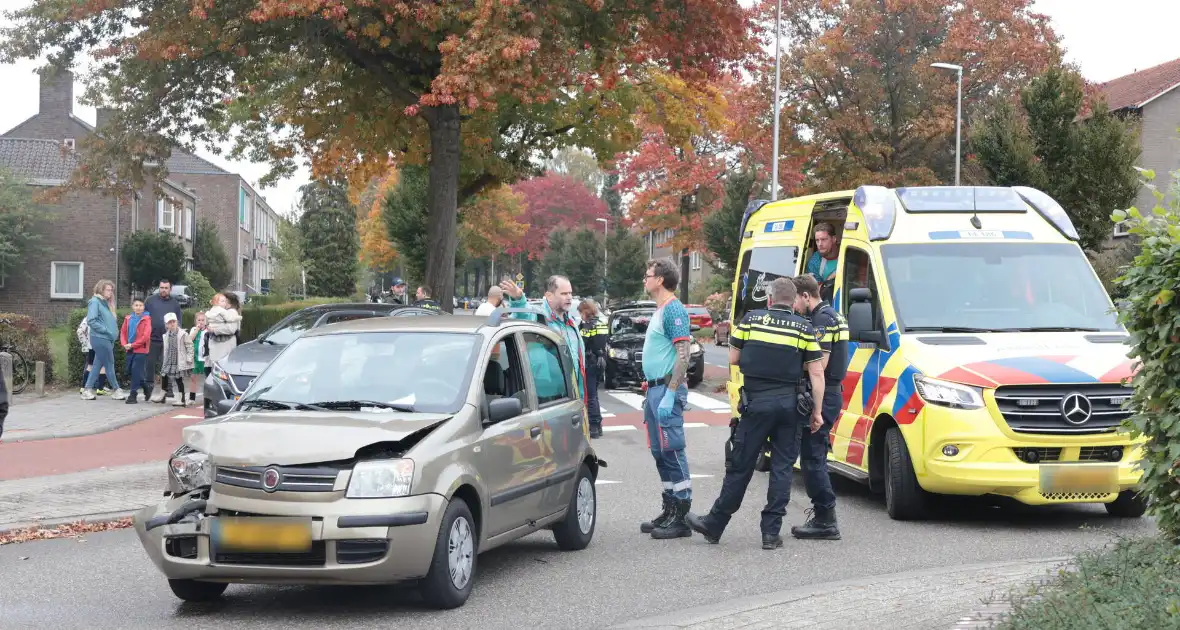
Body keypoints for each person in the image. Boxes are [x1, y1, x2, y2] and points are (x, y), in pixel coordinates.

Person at [685, 278, 826, 550]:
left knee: (740, 465)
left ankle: (715, 524)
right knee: (782, 469)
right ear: (794, 300)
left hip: (757, 404)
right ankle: (771, 534)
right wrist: (817, 412)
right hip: (790, 406)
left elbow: (733, 358)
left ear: (769, 300)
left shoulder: (751, 320)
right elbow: (817, 372)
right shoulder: (804, 328)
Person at [636, 258, 696, 540]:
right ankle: (669, 506)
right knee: (660, 451)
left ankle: (682, 515)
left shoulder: (674, 310)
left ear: (660, 279)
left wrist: (671, 392)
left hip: (666, 389)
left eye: (648, 275)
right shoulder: (661, 310)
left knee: (672, 449)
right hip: (655, 389)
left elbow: (684, 354)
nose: (644, 279)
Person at [790, 274, 847, 540]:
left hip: (824, 393)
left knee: (813, 458)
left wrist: (788, 362)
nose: (794, 307)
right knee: (815, 455)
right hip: (833, 392)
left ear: (805, 295)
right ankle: (824, 515)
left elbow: (819, 365)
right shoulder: (834, 315)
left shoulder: (822, 320)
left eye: (795, 301)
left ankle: (826, 519)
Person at [499, 276, 588, 406]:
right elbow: (523, 314)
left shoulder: (571, 324)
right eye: (564, 293)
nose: (569, 297)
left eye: (570, 293)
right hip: (547, 399)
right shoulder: (538, 317)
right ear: (549, 296)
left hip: (571, 396)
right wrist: (518, 299)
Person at [81, 279, 127, 400]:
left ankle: (87, 389)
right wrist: (106, 330)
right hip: (100, 338)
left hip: (106, 339)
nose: (110, 292)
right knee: (109, 363)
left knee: (97, 364)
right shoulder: (95, 302)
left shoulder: (104, 303)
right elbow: (91, 320)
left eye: (111, 290)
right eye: (108, 289)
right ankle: (116, 389)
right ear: (101, 289)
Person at [144, 279, 184, 403]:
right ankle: (148, 389)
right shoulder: (150, 301)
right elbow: (144, 317)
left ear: (170, 289)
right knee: (149, 364)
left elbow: (178, 321)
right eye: (161, 288)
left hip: (168, 340)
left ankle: (167, 390)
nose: (163, 290)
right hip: (152, 338)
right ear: (159, 288)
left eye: (166, 288)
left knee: (166, 365)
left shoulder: (175, 303)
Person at [578, 298, 609, 439]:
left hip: (590, 362)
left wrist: (581, 327)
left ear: (586, 311)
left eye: (581, 312)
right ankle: (599, 426)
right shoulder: (602, 323)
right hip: (600, 362)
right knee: (594, 395)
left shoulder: (588, 326)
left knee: (590, 396)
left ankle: (594, 427)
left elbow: (582, 343)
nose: (580, 315)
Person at [119, 296, 153, 404]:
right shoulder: (128, 319)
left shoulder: (146, 319)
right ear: (132, 307)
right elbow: (123, 333)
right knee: (130, 371)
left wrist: (133, 345)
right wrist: (125, 344)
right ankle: (146, 387)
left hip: (141, 350)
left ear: (144, 307)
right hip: (129, 348)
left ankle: (133, 395)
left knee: (135, 371)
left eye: (141, 305)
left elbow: (145, 337)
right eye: (136, 305)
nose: (138, 308)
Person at [160, 312, 195, 406]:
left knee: (179, 379)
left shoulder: (183, 334)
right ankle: (162, 394)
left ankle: (181, 398)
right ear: (166, 325)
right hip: (169, 360)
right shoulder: (166, 335)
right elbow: (166, 349)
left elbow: (190, 346)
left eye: (173, 321)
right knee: (164, 375)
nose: (172, 324)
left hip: (179, 360)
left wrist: (189, 358)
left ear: (177, 322)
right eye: (169, 322)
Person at [204, 293, 242, 367]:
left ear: (229, 303)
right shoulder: (220, 312)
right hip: (216, 347)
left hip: (225, 347)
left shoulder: (232, 312)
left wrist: (214, 329)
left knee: (223, 369)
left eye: (224, 301)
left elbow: (231, 329)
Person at [805, 223, 840, 298]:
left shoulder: (847, 251)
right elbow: (815, 294)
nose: (820, 244)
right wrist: (830, 278)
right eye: (817, 240)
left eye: (823, 239)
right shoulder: (814, 262)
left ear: (834, 239)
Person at [189, 311, 208, 400]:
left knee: (207, 378)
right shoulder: (193, 329)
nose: (201, 322)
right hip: (195, 357)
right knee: (193, 377)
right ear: (196, 321)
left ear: (206, 321)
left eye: (203, 320)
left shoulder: (208, 330)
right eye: (199, 320)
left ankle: (207, 397)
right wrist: (196, 330)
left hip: (206, 358)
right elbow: (190, 339)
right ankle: (192, 398)